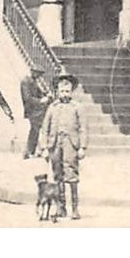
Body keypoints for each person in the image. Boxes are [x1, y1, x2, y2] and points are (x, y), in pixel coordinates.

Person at [40, 72, 88, 219]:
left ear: (72, 91)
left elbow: (83, 128)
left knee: (71, 175)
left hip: (70, 145)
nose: (64, 94)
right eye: (62, 91)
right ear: (57, 91)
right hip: (55, 145)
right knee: (57, 175)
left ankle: (75, 209)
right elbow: (45, 128)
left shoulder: (77, 107)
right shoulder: (52, 107)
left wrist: (82, 147)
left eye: (67, 91)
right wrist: (44, 148)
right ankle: (61, 208)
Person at [19, 67, 53, 159]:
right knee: (35, 130)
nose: (39, 76)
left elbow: (39, 93)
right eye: (38, 73)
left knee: (36, 130)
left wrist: (46, 95)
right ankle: (29, 151)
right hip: (32, 110)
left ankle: (31, 151)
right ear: (33, 72)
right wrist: (41, 101)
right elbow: (27, 98)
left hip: (38, 110)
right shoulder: (25, 82)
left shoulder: (34, 81)